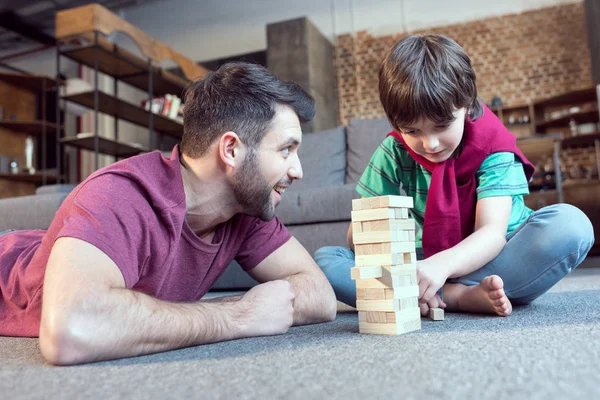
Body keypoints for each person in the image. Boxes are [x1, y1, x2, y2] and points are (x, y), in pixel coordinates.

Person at [0, 62, 336, 365]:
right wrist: (238, 316)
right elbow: (70, 330)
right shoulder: (120, 194)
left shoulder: (246, 208)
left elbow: (321, 296)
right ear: (231, 149)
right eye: (286, 150)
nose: (298, 171)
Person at [315, 34, 594, 318]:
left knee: (572, 226)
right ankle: (456, 296)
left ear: (466, 104)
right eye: (412, 131)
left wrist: (442, 267)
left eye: (442, 125)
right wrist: (376, 235)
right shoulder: (393, 150)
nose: (430, 144)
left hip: (496, 253)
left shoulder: (492, 147)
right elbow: (356, 238)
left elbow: (492, 234)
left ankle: (427, 293)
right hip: (423, 260)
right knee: (327, 260)